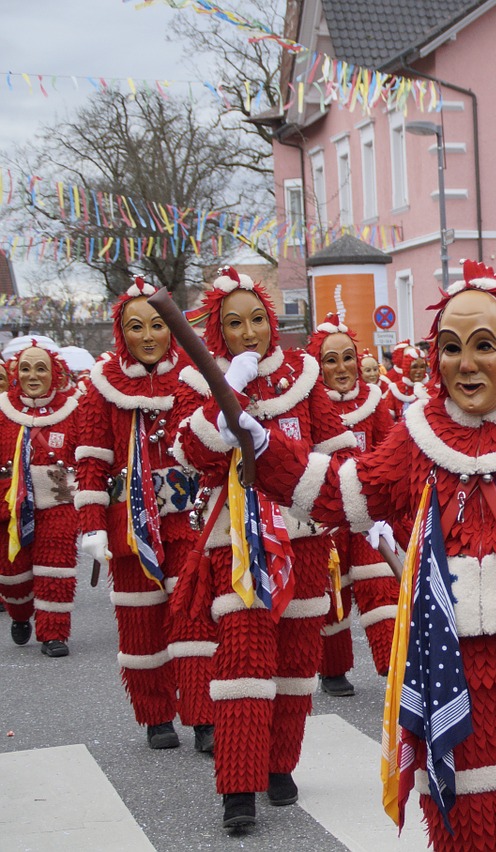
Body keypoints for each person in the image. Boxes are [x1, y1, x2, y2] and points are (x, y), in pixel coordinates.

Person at [218, 259, 496, 852]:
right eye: (451, 347)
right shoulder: (421, 431)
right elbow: (351, 492)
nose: (466, 363)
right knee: (470, 809)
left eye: (483, 346)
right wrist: (266, 447)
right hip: (453, 648)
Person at [171, 266, 357, 832]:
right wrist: (228, 389)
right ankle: (238, 785)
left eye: (257, 319)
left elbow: (335, 446)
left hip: (303, 538)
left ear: (271, 322)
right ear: (218, 331)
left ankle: (279, 764)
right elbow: (187, 452)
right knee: (244, 665)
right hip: (239, 542)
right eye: (234, 324)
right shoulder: (200, 380)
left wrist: (359, 513)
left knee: (298, 664)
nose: (248, 332)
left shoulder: (303, 373)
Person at [75, 277, 198, 749]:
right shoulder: (101, 386)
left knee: (192, 617)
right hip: (129, 522)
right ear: (120, 333)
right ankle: (156, 714)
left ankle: (202, 714)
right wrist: (91, 525)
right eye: (135, 327)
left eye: (157, 325)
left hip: (186, 517)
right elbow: (91, 460)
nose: (148, 336)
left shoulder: (192, 376)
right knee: (140, 621)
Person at [307, 315, 398, 696]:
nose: (342, 367)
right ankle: (333, 669)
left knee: (381, 582)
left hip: (368, 511)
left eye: (348, 358)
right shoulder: (307, 403)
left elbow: (388, 447)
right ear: (318, 366)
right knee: (332, 589)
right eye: (331, 360)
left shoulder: (374, 401)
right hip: (326, 514)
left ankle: (395, 663)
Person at [0, 341, 79, 658]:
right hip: (9, 506)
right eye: (26, 368)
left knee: (55, 570)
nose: (33, 375)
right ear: (16, 373)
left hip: (58, 504)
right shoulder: (3, 410)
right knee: (12, 575)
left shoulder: (73, 410)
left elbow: (88, 454)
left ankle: (54, 633)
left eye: (41, 368)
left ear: (55, 373)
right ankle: (19, 612)